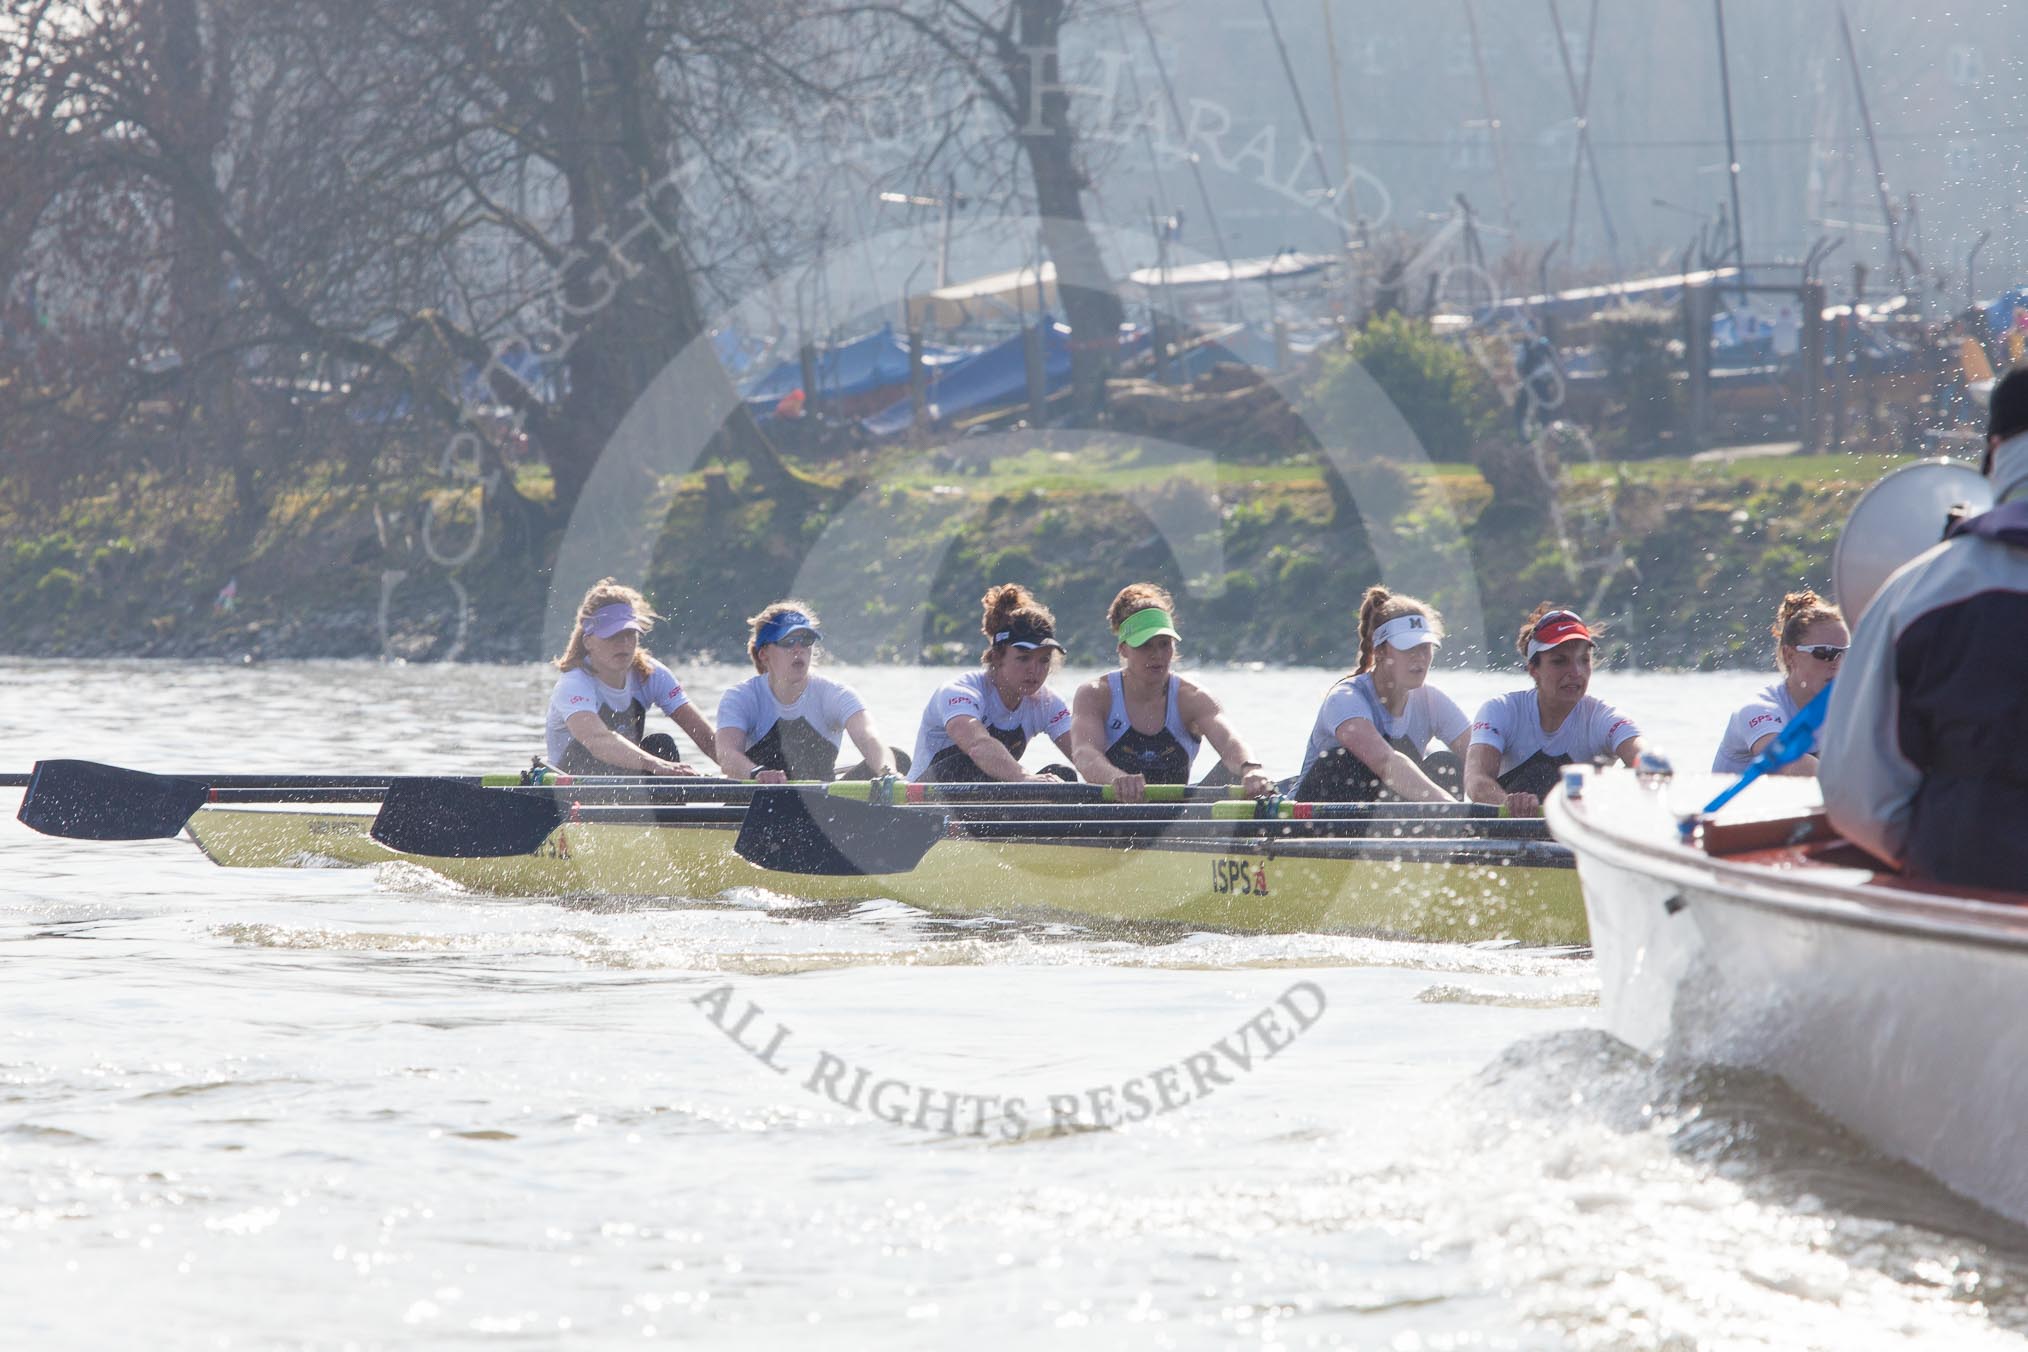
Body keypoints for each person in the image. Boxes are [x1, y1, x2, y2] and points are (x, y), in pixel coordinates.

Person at [1820, 367, 2028, 891]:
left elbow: (1857, 799)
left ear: (1995, 448)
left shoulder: (1917, 592)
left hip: (1965, 890)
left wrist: (1929, 859)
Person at [1067, 584, 1275, 802]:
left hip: (1175, 819)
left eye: (1164, 644)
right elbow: (1084, 753)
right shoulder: (1095, 694)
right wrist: (1116, 778)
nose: (1157, 655)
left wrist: (1251, 768)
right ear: (1123, 649)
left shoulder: (1193, 697)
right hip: (1114, 814)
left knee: (1235, 771)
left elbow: (1230, 741)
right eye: (1145, 645)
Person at [1292, 586, 1470, 803]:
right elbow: (1386, 762)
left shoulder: (1432, 701)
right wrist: (1450, 808)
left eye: (1425, 648)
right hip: (1313, 815)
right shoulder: (1345, 698)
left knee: (1446, 765)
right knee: (1347, 763)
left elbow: (1478, 760)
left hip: (1378, 814)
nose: (1420, 658)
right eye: (1408, 648)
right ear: (1380, 651)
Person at [1464, 604, 1643, 817]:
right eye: (1560, 662)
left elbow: (1645, 759)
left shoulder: (1603, 717)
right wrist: (1509, 804)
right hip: (1507, 833)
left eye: (1583, 660)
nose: (1576, 672)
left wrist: (1641, 776)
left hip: (1576, 837)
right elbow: (1476, 781)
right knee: (1540, 775)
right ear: (1534, 670)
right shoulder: (1500, 710)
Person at [544, 579, 716, 776]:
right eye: (613, 635)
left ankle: (669, 806)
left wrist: (750, 771)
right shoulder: (574, 683)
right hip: (569, 788)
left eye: (629, 634)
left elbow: (706, 738)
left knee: (661, 744)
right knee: (587, 751)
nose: (624, 643)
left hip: (623, 781)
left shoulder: (651, 674)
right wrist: (655, 764)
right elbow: (596, 740)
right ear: (588, 641)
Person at [714, 602, 900, 783]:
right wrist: (757, 773)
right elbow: (726, 755)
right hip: (757, 800)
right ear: (764, 654)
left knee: (899, 758)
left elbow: (869, 738)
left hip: (819, 807)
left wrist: (887, 772)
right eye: (788, 641)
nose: (798, 649)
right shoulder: (741, 697)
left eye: (806, 640)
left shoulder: (836, 695)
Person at [908, 584, 1077, 783]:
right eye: (1023, 658)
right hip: (924, 801)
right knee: (965, 764)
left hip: (985, 800)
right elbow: (977, 745)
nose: (1035, 670)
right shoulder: (960, 691)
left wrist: (1116, 779)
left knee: (1062, 776)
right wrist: (1023, 777)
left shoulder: (1046, 702)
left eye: (1044, 660)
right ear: (997, 657)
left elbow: (1084, 753)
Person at [1711, 591, 1848, 776]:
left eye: (1846, 653)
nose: (1837, 664)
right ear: (1789, 655)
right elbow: (1787, 762)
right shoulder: (1758, 709)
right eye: (1825, 653)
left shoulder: (1847, 714)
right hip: (1740, 805)